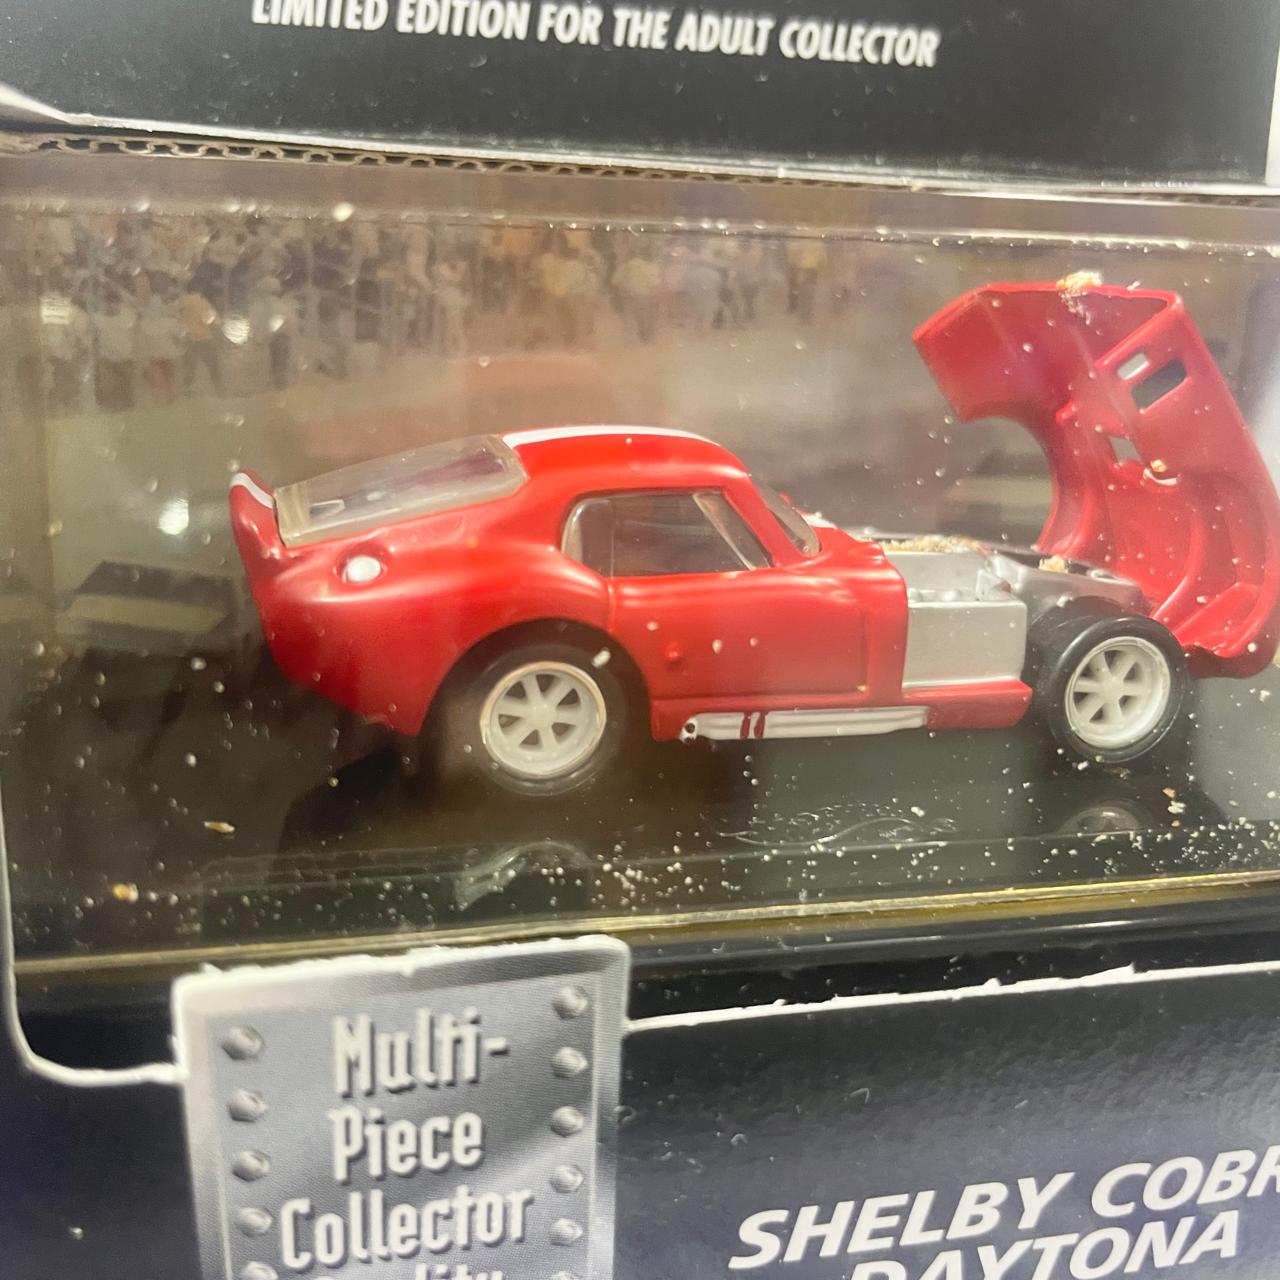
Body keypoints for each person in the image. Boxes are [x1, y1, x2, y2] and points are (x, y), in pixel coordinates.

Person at [137, 285, 183, 403]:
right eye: (152, 307)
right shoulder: (144, 324)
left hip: (168, 356)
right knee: (156, 382)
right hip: (153, 358)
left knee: (170, 380)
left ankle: (171, 402)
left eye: (157, 306)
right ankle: (158, 403)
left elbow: (180, 335)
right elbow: (141, 343)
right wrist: (143, 359)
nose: (155, 309)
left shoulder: (169, 322)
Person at [92, 290, 137, 410]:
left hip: (125, 357)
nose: (111, 306)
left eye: (114, 302)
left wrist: (136, 353)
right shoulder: (97, 318)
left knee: (126, 385)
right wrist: (96, 357)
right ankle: (110, 408)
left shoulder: (128, 315)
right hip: (106, 359)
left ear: (119, 303)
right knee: (109, 386)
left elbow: (135, 334)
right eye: (108, 303)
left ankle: (128, 409)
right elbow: (95, 339)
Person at [178, 286, 224, 395]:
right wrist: (218, 325)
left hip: (189, 339)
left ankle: (185, 390)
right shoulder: (204, 303)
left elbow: (180, 321)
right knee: (213, 366)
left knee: (189, 367)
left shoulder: (181, 301)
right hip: (204, 339)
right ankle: (220, 390)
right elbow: (209, 321)